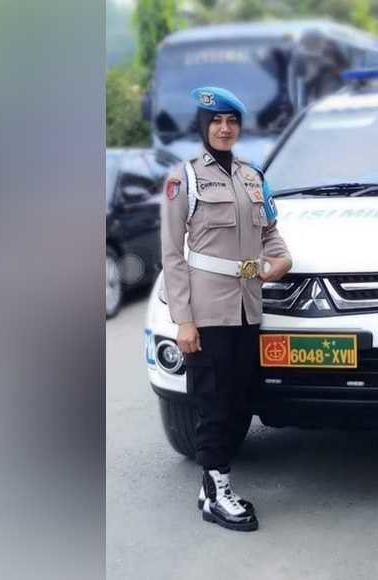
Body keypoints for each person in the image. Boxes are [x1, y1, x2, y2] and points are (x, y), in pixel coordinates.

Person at [159, 86, 292, 532]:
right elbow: (172, 254)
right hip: (208, 311)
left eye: (231, 121)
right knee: (213, 404)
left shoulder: (253, 177)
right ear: (203, 126)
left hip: (247, 308)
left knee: (239, 400)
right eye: (216, 121)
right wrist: (183, 320)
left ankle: (211, 486)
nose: (224, 128)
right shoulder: (185, 178)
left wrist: (282, 259)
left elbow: (269, 231)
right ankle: (218, 491)